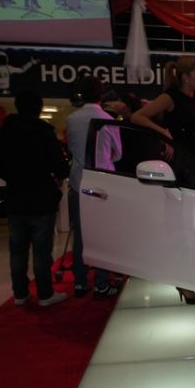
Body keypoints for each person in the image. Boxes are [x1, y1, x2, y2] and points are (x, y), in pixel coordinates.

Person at [131, 56, 195, 304]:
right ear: (185, 77)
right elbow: (137, 117)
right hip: (179, 162)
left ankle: (193, 277)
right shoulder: (170, 97)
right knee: (181, 224)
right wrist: (164, 134)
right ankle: (183, 281)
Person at [0, 88, 69, 307]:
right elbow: (60, 167)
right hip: (41, 197)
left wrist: (13, 176)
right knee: (42, 251)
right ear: (39, 108)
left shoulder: (4, 132)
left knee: (17, 250)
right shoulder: (44, 132)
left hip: (16, 197)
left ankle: (20, 293)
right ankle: (45, 294)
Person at [66, 75, 120, 299]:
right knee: (102, 234)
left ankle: (80, 282)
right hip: (102, 184)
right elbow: (118, 154)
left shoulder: (72, 119)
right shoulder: (108, 119)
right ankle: (101, 283)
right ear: (101, 95)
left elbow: (71, 149)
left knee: (80, 235)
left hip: (78, 182)